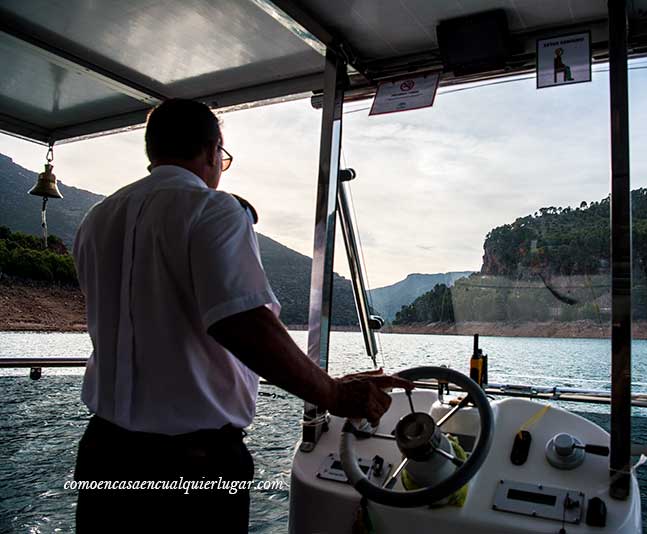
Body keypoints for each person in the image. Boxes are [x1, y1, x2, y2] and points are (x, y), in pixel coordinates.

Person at [72, 98, 410, 533]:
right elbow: (242, 323)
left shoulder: (96, 220)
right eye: (222, 157)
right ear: (214, 150)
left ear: (152, 150)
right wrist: (334, 394)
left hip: (105, 454)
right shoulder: (212, 209)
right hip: (191, 467)